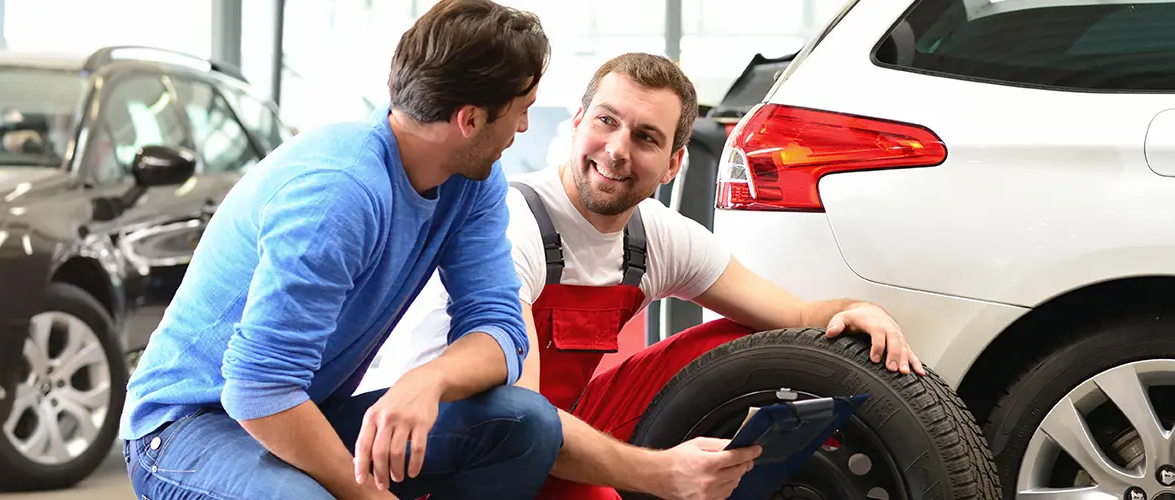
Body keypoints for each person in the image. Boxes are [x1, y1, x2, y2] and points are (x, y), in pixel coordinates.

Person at [357, 52, 928, 500]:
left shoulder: (655, 235)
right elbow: (520, 416)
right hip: (444, 442)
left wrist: (853, 312)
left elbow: (797, 320)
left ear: (674, 162)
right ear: (578, 122)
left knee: (742, 342)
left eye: (646, 137)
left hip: (558, 423)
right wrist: (658, 474)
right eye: (606, 122)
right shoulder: (513, 222)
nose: (617, 150)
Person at [118, 1, 564, 499]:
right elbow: (256, 389)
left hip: (303, 409)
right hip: (188, 427)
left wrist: (431, 379)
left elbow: (500, 328)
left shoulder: (471, 180)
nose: (523, 128)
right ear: (470, 118)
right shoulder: (340, 193)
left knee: (524, 425)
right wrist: (369, 496)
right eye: (520, 111)